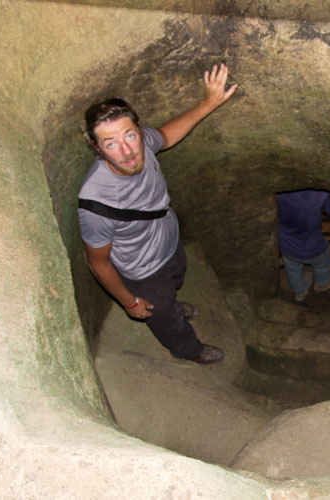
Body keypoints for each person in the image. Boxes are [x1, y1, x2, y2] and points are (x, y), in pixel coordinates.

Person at [77, 63, 237, 364]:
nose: (126, 151)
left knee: (175, 280)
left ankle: (172, 304)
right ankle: (189, 349)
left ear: (138, 127)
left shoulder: (143, 144)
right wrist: (129, 301)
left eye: (129, 135)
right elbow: (98, 263)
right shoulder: (96, 204)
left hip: (168, 241)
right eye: (110, 143)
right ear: (97, 148)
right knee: (165, 319)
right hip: (143, 272)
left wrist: (208, 103)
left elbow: (165, 135)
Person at [275, 190, 330, 302]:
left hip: (286, 244)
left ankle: (300, 291)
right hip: (313, 247)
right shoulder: (320, 193)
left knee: (293, 269)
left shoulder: (280, 190)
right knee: (324, 263)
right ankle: (322, 284)